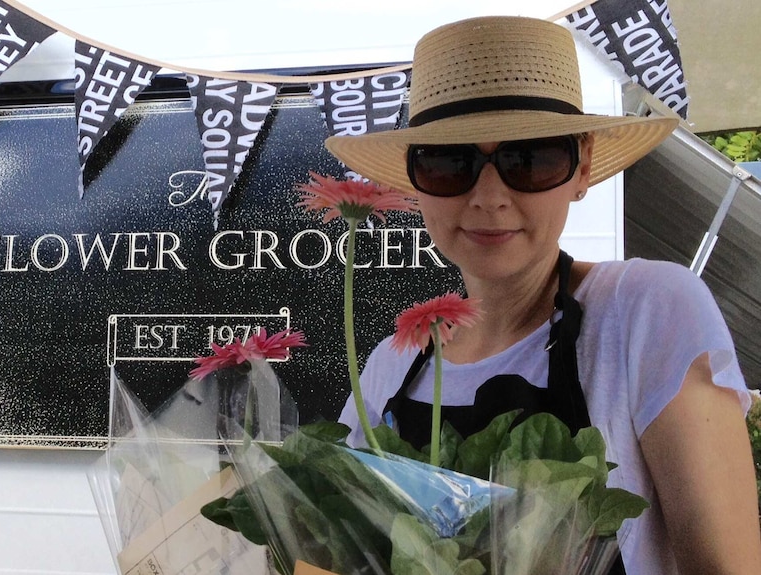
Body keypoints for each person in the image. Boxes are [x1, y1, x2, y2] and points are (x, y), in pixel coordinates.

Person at [325, 16, 761, 575]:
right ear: (415, 182)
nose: (488, 197)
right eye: (448, 163)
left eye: (529, 159)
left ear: (580, 167)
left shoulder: (648, 310)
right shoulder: (391, 367)